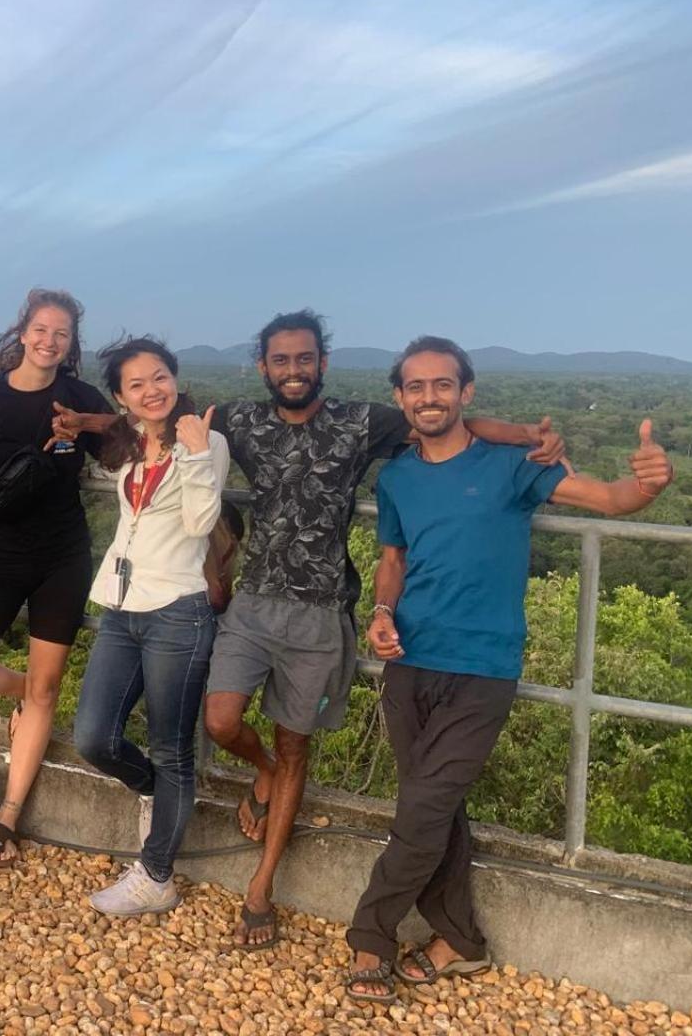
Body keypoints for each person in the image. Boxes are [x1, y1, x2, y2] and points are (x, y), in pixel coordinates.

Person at [53, 309, 566, 948]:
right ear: (263, 367)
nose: (292, 371)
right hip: (255, 604)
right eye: (280, 360)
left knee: (297, 746)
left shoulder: (360, 420)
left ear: (321, 363)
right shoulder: (238, 420)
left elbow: (447, 421)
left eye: (303, 359)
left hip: (322, 609)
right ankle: (261, 771)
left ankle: (261, 887)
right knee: (220, 720)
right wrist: (86, 421)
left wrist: (525, 435)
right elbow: (150, 417)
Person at [345, 336, 672, 1003]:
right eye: (416, 386)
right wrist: (380, 612)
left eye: (443, 384)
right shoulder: (399, 475)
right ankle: (460, 939)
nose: (429, 396)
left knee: (425, 806)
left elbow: (609, 499)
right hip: (408, 661)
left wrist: (646, 483)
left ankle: (369, 934)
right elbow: (393, 560)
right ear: (400, 398)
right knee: (434, 809)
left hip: (484, 667)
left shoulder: (515, 464)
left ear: (466, 393)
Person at [0, 287, 113, 864]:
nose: (49, 341)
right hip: (1, 553)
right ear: (23, 332)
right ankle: (22, 693)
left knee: (48, 687)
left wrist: (84, 424)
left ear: (70, 343)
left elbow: (128, 435)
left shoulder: (78, 398)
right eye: (41, 329)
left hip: (63, 555)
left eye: (61, 333)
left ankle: (9, 816)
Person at [71, 338, 231, 915]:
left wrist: (191, 456)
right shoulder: (128, 440)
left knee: (173, 750)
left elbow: (199, 522)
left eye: (159, 377)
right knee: (93, 737)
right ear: (122, 396)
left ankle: (157, 875)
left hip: (177, 612)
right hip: (120, 606)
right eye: (136, 384)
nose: (151, 390)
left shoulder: (205, 440)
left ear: (175, 377)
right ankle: (152, 793)